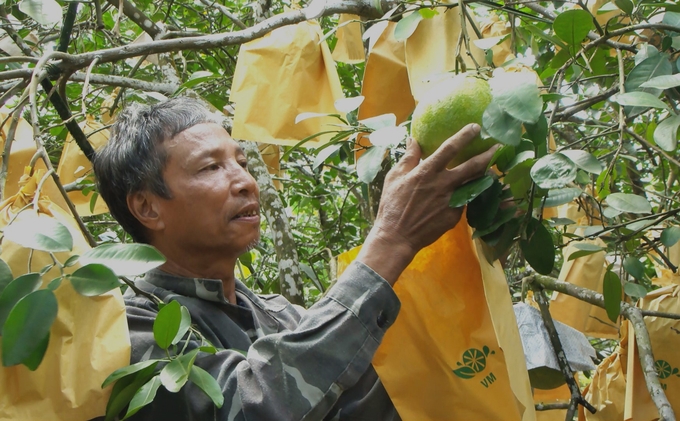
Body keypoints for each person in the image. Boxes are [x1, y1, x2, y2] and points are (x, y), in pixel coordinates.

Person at [92, 97, 495, 420]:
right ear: (147, 208)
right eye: (211, 166)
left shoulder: (282, 317)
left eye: (242, 163)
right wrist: (390, 238)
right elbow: (255, 406)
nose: (245, 182)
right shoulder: (131, 330)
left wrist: (478, 236)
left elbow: (392, 388)